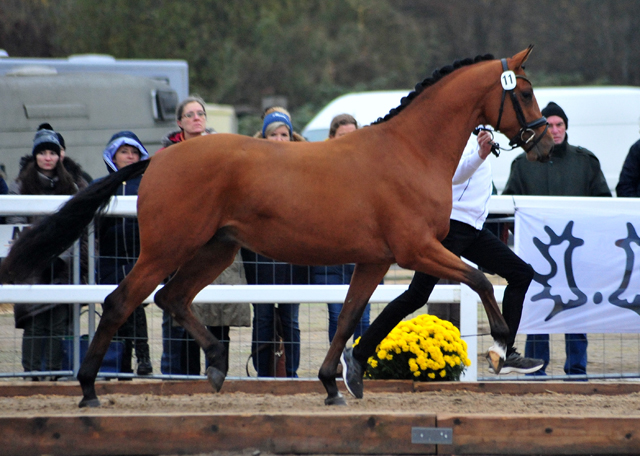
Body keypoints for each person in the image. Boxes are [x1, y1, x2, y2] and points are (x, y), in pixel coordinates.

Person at [341, 129, 544, 398]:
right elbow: (452, 174)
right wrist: (481, 154)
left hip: (472, 229)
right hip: (451, 227)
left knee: (521, 274)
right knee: (416, 296)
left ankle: (503, 351)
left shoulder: (482, 131)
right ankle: (357, 354)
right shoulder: (456, 132)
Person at [502, 101, 612, 377]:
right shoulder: (523, 164)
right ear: (541, 128)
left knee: (577, 311)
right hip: (538, 257)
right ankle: (537, 368)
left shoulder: (585, 162)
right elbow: (507, 207)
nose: (555, 130)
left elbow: (603, 203)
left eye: (559, 124)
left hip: (578, 256)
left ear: (566, 127)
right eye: (549, 125)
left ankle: (577, 368)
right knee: (539, 310)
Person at [159, 95, 250, 376]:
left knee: (219, 313)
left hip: (217, 241)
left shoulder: (221, 151)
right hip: (183, 243)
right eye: (190, 115)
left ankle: (217, 370)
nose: (196, 118)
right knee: (182, 310)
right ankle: (183, 376)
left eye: (200, 113)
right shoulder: (168, 158)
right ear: (179, 122)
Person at [8, 128, 79, 380]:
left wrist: (61, 257)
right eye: (42, 153)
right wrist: (35, 253)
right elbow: (16, 221)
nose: (47, 158)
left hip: (62, 265)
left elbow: (75, 225)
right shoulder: (19, 185)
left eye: (52, 152)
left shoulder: (71, 185)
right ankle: (31, 372)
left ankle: (53, 371)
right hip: (31, 266)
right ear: (35, 156)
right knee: (34, 321)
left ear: (59, 156)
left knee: (57, 323)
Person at [242, 107, 308, 377]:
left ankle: (290, 372)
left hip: (294, 257)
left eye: (284, 134)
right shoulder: (249, 167)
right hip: (259, 255)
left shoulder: (306, 167)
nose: (279, 140)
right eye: (274, 135)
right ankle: (264, 373)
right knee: (264, 317)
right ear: (264, 137)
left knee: (290, 319)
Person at [95, 131, 152, 376]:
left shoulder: (149, 183)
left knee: (133, 304)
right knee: (114, 307)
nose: (129, 157)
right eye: (124, 152)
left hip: (139, 255)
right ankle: (121, 362)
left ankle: (142, 358)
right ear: (113, 156)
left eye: (134, 152)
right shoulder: (102, 184)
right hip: (109, 256)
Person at [312, 114, 371, 342]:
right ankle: (335, 363)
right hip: (332, 258)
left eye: (353, 135)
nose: (350, 141)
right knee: (336, 316)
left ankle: (360, 363)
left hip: (363, 257)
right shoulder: (320, 169)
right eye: (343, 136)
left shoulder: (370, 168)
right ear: (332, 138)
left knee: (363, 318)